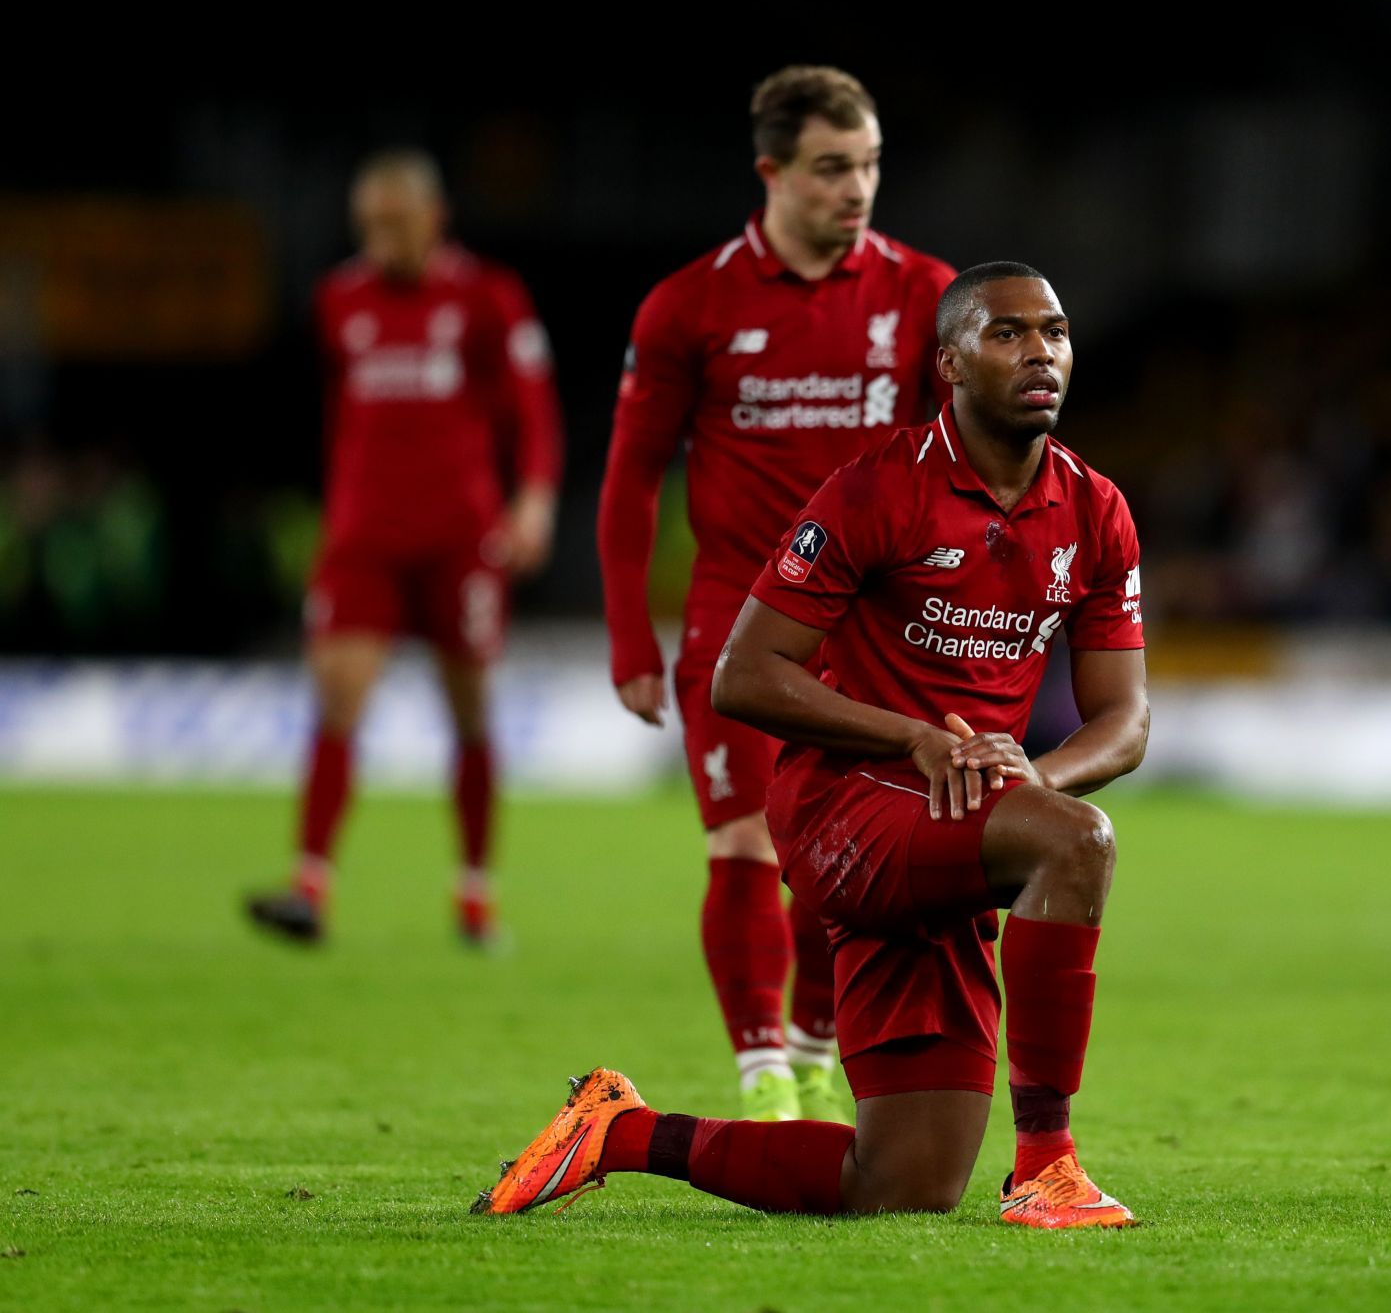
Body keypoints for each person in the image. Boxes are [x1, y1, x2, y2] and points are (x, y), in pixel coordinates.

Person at [475, 263, 1149, 1229]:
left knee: (902, 1183)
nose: (1042, 351)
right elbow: (743, 676)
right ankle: (1047, 1164)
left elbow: (1126, 719)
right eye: (1009, 334)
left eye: (1056, 330)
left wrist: (1032, 778)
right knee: (1078, 842)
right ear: (949, 362)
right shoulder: (876, 489)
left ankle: (618, 1132)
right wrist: (917, 740)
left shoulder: (1095, 510)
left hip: (964, 830)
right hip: (848, 811)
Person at [598, 66, 956, 1121]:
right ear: (770, 172)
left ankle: (811, 1040)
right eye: (831, 169)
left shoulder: (924, 294)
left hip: (874, 625)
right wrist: (630, 637)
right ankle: (763, 1079)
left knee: (841, 857)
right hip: (738, 619)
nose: (857, 190)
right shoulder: (691, 304)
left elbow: (954, 466)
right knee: (744, 842)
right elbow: (630, 478)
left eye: (871, 167)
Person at [245, 149, 562, 947]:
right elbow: (339, 414)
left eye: (393, 222)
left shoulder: (488, 297)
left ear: (434, 218)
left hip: (461, 538)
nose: (378, 239)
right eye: (367, 225)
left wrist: (534, 498)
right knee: (338, 697)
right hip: (364, 537)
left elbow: (533, 406)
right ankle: (309, 889)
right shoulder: (338, 300)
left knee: (469, 711)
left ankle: (475, 896)